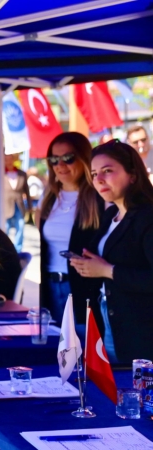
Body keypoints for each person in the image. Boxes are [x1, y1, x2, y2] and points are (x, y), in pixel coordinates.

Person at [70, 140, 153, 363]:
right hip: (109, 319)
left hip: (142, 328)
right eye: (95, 173)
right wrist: (89, 264)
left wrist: (108, 270)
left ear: (133, 175)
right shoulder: (111, 215)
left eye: (107, 171)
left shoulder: (147, 217)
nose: (98, 180)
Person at [37, 132, 103, 325]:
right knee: (56, 349)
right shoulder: (48, 198)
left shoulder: (99, 198)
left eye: (68, 158)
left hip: (84, 289)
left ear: (84, 158)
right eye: (54, 160)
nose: (60, 165)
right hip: (50, 286)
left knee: (82, 349)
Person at [3, 153, 32, 252]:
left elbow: (27, 191)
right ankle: (5, 249)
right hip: (5, 206)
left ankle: (17, 250)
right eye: (6, 159)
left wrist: (30, 205)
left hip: (19, 205)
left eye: (9, 159)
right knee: (5, 228)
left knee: (20, 227)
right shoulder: (1, 174)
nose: (8, 161)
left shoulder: (21, 174)